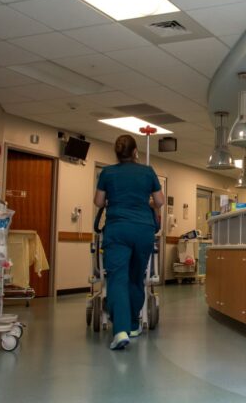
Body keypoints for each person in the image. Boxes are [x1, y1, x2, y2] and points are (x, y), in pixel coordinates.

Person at [94, 134, 165, 350]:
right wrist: (145, 203)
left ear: (117, 153)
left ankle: (121, 330)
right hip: (143, 230)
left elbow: (98, 201)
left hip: (117, 231)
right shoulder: (147, 171)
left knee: (117, 278)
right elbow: (160, 201)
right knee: (136, 276)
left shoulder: (107, 172)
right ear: (135, 152)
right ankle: (134, 325)